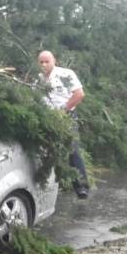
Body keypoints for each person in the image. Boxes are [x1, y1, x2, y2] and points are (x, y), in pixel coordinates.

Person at [37, 50, 90, 199]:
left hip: (65, 117)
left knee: (72, 150)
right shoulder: (39, 79)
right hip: (46, 118)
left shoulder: (64, 75)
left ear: (54, 60)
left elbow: (79, 94)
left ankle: (81, 187)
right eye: (41, 62)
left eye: (47, 61)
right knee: (45, 150)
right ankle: (44, 185)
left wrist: (64, 110)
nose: (44, 64)